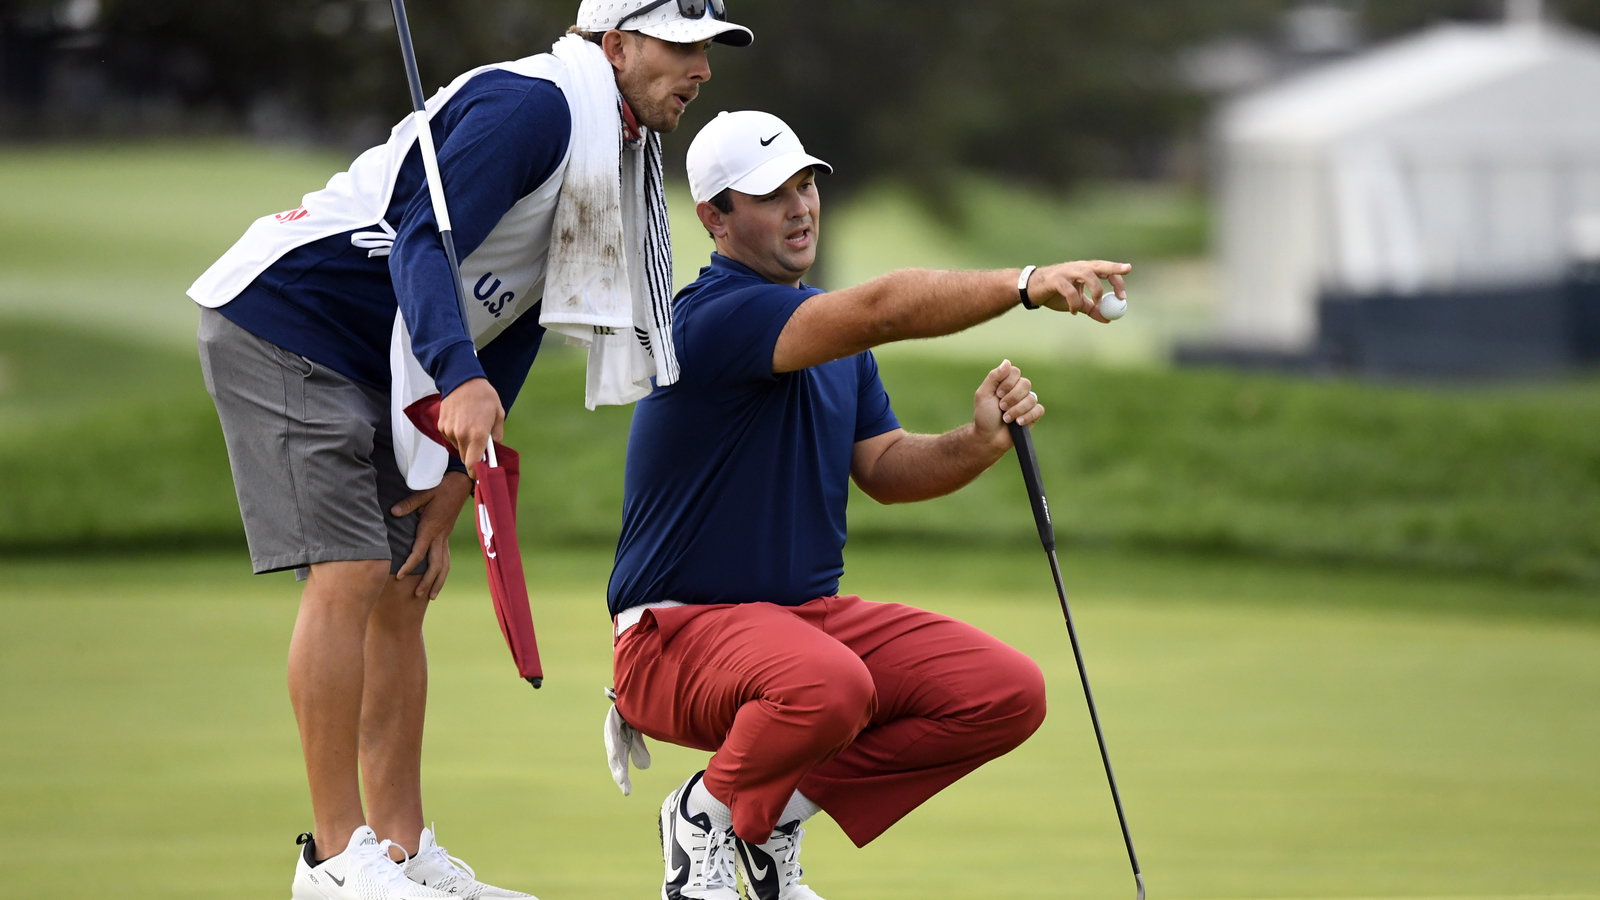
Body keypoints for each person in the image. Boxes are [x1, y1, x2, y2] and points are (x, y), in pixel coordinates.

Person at [187, 2, 754, 898]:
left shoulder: (612, 144)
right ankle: (337, 863)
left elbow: (522, 319)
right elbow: (420, 240)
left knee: (402, 588)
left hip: (381, 353)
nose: (702, 70)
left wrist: (460, 470)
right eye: (682, 47)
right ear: (616, 44)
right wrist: (456, 380)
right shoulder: (533, 108)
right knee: (349, 572)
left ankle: (404, 855)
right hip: (291, 318)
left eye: (707, 50)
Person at [602, 109, 1133, 900]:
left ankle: (774, 820)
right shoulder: (716, 317)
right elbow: (882, 307)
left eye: (806, 184)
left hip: (800, 628)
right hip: (673, 638)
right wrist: (1024, 285)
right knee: (831, 682)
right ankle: (703, 814)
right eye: (770, 194)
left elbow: (884, 467)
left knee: (1002, 691)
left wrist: (977, 440)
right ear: (715, 217)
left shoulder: (830, 345)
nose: (800, 206)